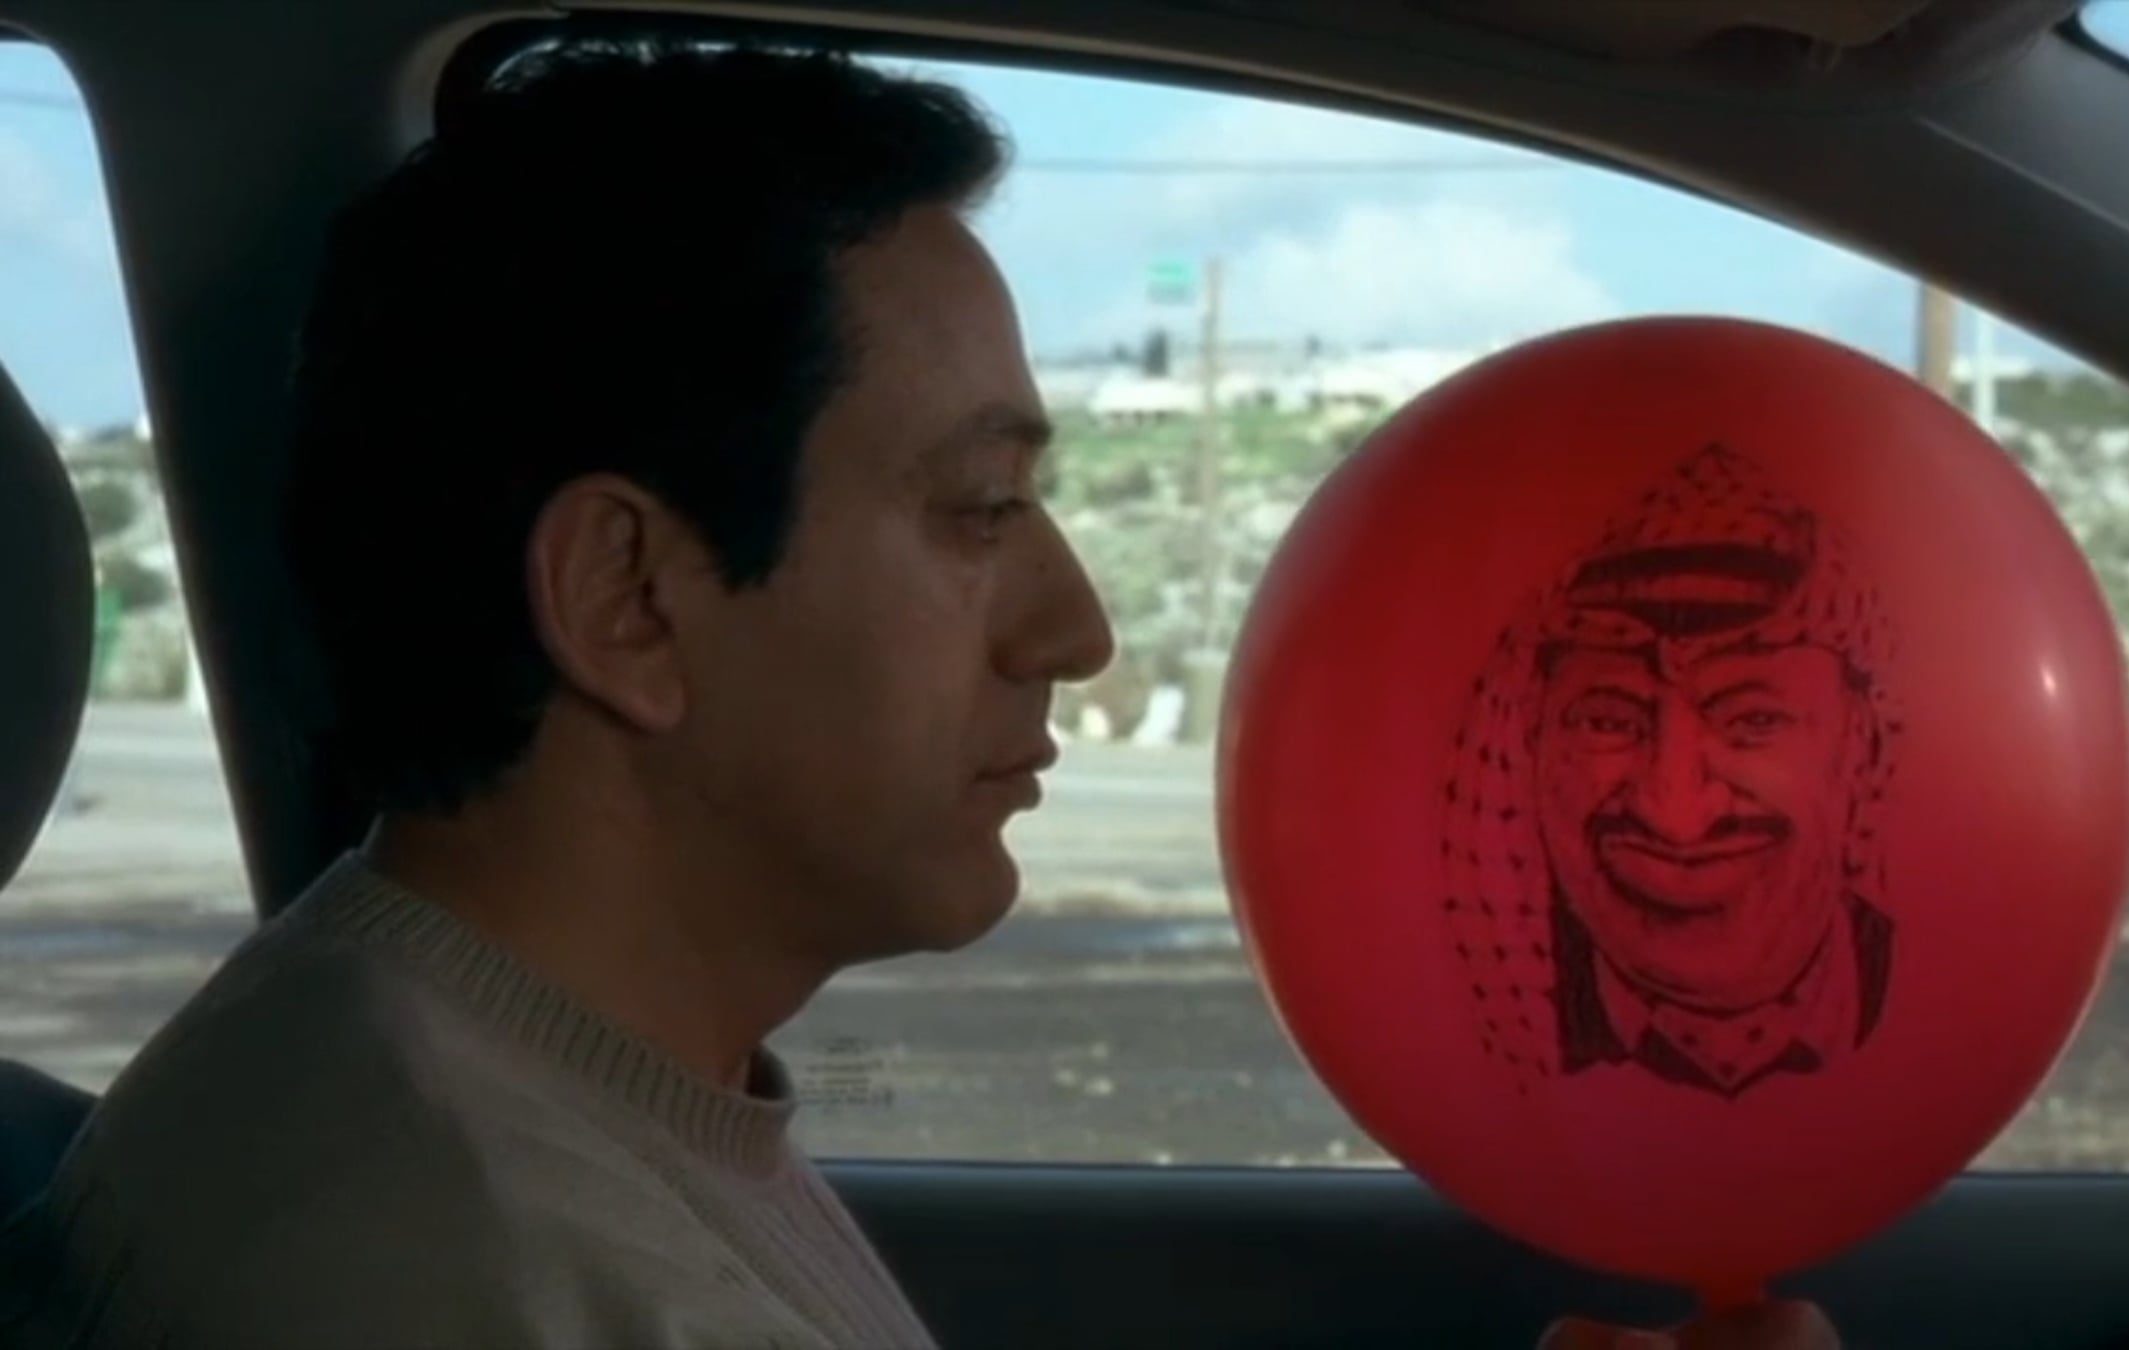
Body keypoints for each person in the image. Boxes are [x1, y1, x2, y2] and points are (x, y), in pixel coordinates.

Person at [0, 36, 1837, 1350]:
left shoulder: (504, 1093)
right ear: (628, 599)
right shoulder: (459, 1270)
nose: (1076, 625)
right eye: (978, 510)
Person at [1442, 444, 1900, 1099]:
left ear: (1862, 751)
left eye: (1752, 720)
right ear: (1531, 747)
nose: (1674, 813)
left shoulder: (1941, 977)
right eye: (1609, 722)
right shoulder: (1490, 1007)